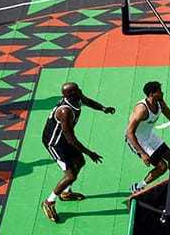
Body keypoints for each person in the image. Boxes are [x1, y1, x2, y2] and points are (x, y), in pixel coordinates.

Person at [40, 82, 115, 223]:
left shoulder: (77, 97)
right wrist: (89, 152)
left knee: (80, 162)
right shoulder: (65, 112)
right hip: (55, 143)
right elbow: (70, 138)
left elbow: (88, 101)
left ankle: (66, 193)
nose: (80, 90)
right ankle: (48, 202)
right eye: (76, 90)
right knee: (70, 176)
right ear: (70, 94)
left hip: (64, 140)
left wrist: (103, 108)